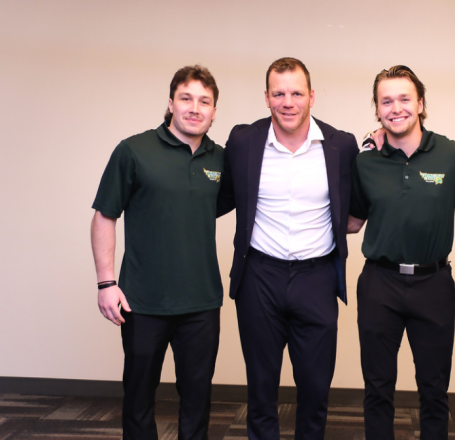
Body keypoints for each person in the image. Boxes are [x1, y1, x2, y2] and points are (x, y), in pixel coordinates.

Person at [217, 57, 359, 440]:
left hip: (316, 279)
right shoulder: (243, 140)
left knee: (315, 389)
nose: (288, 102)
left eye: (296, 93)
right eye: (278, 93)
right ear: (266, 97)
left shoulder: (341, 145)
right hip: (259, 277)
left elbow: (358, 208)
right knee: (261, 389)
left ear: (312, 96)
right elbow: (216, 193)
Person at [90, 65, 223, 440]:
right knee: (138, 397)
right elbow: (104, 216)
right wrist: (106, 283)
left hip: (202, 304)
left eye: (204, 101)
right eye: (186, 98)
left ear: (214, 111)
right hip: (142, 302)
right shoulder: (133, 150)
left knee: (198, 401)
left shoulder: (221, 160)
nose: (195, 108)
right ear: (170, 103)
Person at [348, 65, 455, 440]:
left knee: (434, 391)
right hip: (379, 284)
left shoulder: (453, 154)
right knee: (378, 388)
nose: (396, 107)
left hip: (433, 283)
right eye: (386, 101)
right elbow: (352, 222)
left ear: (420, 103)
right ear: (377, 108)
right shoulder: (365, 160)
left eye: (404, 99)